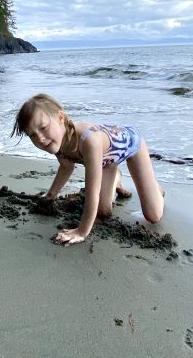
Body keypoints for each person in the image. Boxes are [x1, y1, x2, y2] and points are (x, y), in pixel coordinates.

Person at [12, 93, 164, 245]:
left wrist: (81, 231)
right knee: (104, 212)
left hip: (132, 144)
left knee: (153, 216)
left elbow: (92, 194)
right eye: (32, 135)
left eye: (44, 128)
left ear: (61, 118)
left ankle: (154, 187)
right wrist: (50, 195)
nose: (40, 138)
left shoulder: (88, 141)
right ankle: (116, 178)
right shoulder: (56, 142)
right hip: (107, 161)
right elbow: (66, 167)